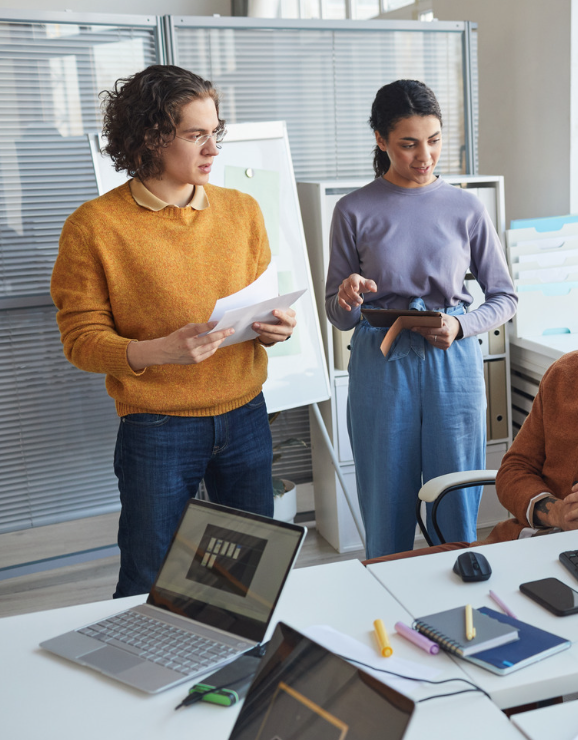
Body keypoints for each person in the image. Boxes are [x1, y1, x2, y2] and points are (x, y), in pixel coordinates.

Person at [50, 66, 296, 597]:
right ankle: (140, 675)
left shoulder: (244, 211)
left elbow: (257, 308)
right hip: (156, 428)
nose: (212, 148)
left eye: (215, 132)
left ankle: (231, 674)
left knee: (244, 576)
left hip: (246, 415)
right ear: (150, 137)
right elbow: (80, 340)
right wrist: (158, 350)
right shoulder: (93, 227)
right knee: (149, 578)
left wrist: (274, 328)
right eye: (195, 134)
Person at [365, 248, 578, 563]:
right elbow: (515, 468)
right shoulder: (568, 371)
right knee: (371, 574)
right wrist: (553, 512)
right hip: (514, 548)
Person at [324, 79, 517, 559]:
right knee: (385, 497)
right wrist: (347, 296)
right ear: (381, 139)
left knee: (455, 496)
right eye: (409, 144)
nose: (424, 156)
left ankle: (461, 602)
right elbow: (339, 315)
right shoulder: (353, 210)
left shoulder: (467, 207)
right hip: (381, 360)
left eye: (434, 141)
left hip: (452, 360)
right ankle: (388, 608)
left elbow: (505, 298)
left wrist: (461, 325)